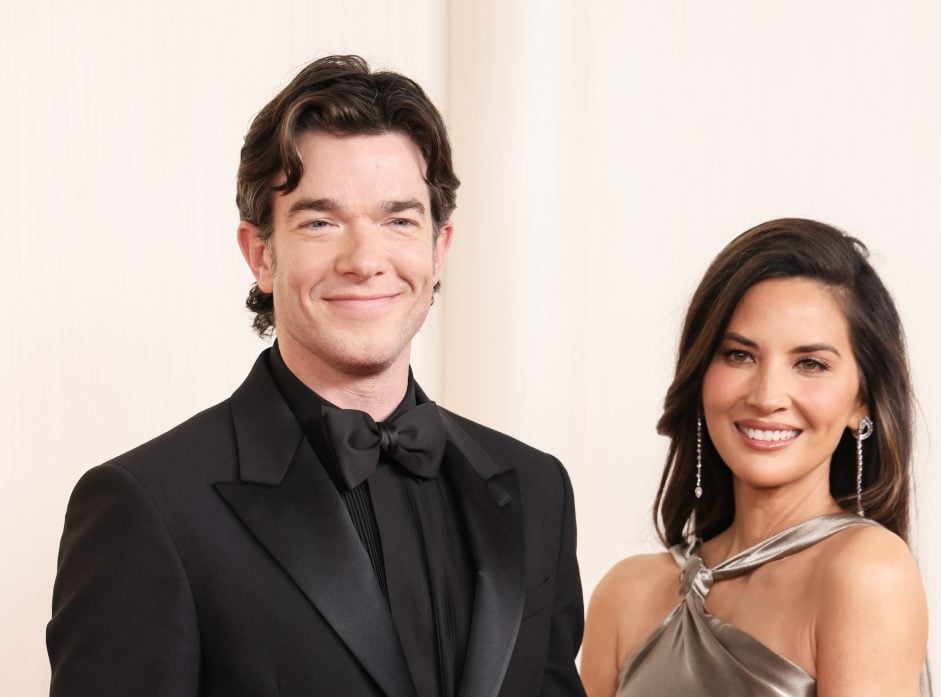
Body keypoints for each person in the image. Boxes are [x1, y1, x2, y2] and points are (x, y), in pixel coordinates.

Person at [47, 55, 585, 697]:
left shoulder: (537, 487)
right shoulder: (147, 505)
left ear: (439, 249)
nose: (364, 260)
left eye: (398, 220)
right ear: (261, 254)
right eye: (320, 222)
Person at [580, 219, 930, 696]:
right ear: (701, 375)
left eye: (810, 364)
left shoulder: (866, 571)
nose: (767, 396)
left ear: (861, 401)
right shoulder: (625, 594)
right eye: (739, 355)